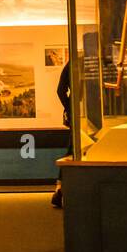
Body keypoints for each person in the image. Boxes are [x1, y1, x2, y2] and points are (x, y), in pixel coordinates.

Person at [52, 64, 72, 208]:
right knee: (73, 149)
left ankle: (59, 188)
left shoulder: (73, 62)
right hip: (83, 113)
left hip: (77, 114)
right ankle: (59, 188)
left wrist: (69, 106)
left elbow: (60, 90)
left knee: (73, 148)